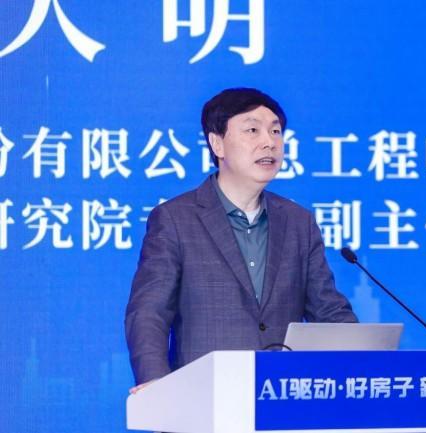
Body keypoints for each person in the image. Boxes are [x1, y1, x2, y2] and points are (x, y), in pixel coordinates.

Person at [125, 88, 357, 393]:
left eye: (276, 131)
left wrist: (367, 359)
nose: (269, 142)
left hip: (282, 399)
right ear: (217, 143)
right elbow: (149, 311)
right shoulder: (176, 219)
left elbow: (328, 312)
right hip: (203, 397)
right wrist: (155, 383)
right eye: (252, 130)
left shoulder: (299, 222)